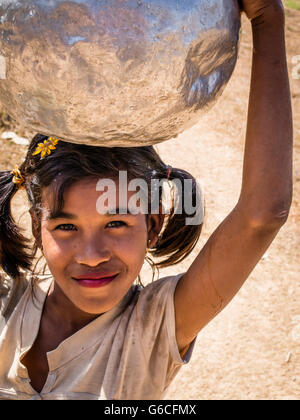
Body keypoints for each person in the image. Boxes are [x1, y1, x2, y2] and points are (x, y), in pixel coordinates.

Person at [0, 0, 293, 400]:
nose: (90, 254)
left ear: (152, 224)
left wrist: (267, 20)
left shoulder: (151, 328)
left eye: (116, 223)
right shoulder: (8, 304)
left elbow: (262, 215)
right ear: (37, 226)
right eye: (65, 226)